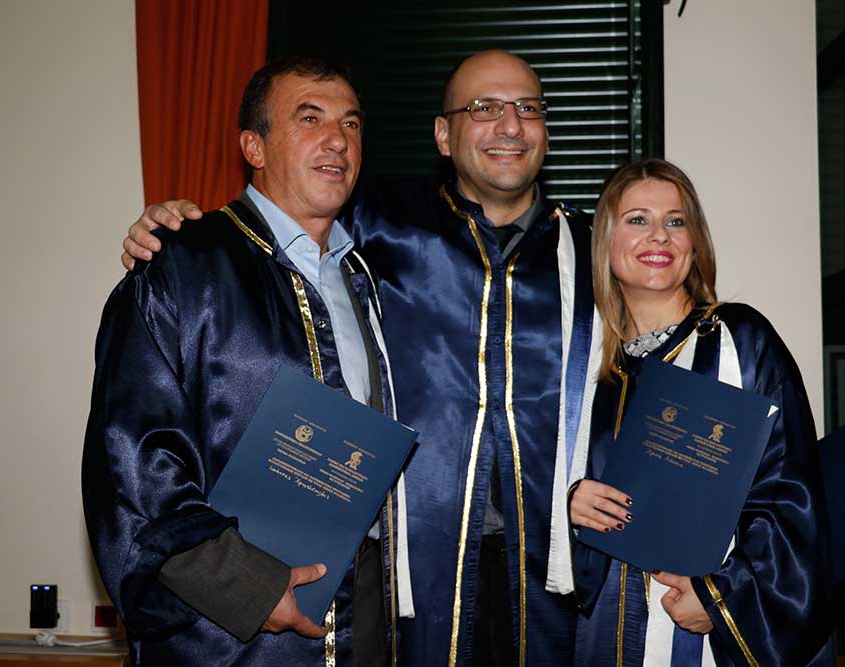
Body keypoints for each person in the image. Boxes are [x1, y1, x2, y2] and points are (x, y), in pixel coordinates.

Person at [120, 50, 600, 666]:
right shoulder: (379, 238)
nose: (509, 125)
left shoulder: (591, 253)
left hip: (462, 590)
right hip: (318, 606)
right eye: (484, 108)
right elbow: (134, 456)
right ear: (443, 135)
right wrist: (167, 229)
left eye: (350, 123)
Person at [83, 57, 400, 666]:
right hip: (228, 634)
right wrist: (245, 585)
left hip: (368, 616)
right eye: (310, 118)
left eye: (352, 123)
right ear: (253, 146)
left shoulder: (373, 278)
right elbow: (129, 462)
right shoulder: (181, 268)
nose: (338, 139)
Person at [566, 159, 833, 666]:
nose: (659, 236)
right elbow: (536, 480)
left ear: (695, 242)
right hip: (602, 627)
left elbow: (791, 491)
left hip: (703, 631)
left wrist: (722, 596)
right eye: (638, 219)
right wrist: (570, 501)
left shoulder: (739, 341)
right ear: (606, 241)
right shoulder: (583, 364)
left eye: (676, 221)